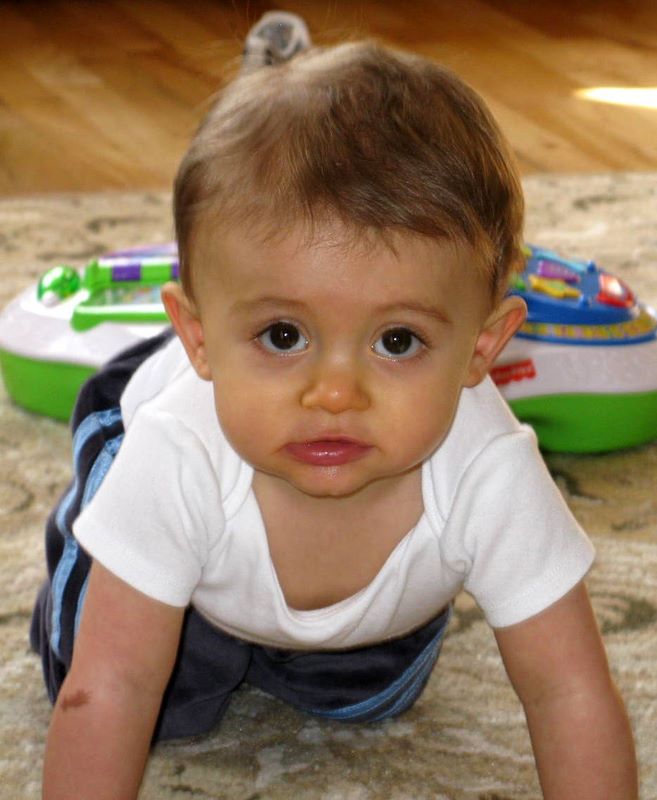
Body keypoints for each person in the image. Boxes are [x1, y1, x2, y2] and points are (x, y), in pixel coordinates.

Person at [31, 19, 638, 800]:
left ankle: (280, 638)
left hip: (355, 604)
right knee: (147, 688)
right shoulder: (176, 446)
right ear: (199, 336)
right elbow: (108, 687)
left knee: (366, 699)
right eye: (284, 334)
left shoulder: (489, 468)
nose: (335, 393)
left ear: (481, 349)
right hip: (159, 456)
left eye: (396, 341)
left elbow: (568, 691)